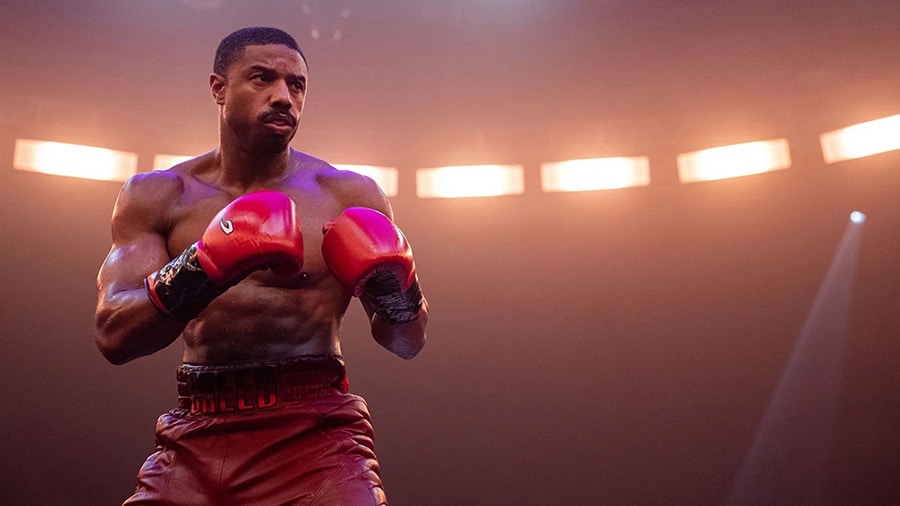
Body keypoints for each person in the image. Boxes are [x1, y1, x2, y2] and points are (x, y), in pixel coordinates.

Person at [94, 26, 428, 505]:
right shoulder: (159, 195)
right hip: (195, 434)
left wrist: (396, 290)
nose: (284, 97)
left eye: (296, 85)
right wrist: (207, 263)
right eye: (262, 79)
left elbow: (407, 342)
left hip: (315, 434)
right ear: (218, 88)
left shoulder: (348, 195)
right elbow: (113, 335)